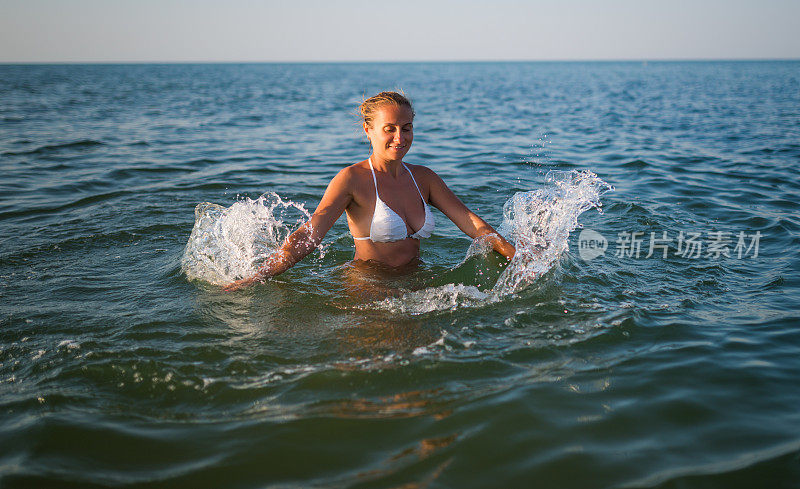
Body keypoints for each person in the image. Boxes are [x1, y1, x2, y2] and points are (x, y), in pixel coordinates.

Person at [225, 91, 515, 291]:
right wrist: (257, 277)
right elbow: (309, 234)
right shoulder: (352, 179)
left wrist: (515, 254)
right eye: (389, 128)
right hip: (368, 289)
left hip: (418, 281)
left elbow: (470, 221)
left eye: (407, 128)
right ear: (368, 130)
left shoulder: (424, 178)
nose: (400, 138)